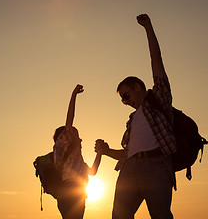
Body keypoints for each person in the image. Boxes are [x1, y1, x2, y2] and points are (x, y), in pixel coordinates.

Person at [95, 14, 176, 219]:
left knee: (160, 215)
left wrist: (148, 28)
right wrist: (105, 151)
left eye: (126, 95)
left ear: (138, 87)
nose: (125, 101)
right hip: (129, 169)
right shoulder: (131, 121)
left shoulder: (159, 100)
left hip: (156, 166)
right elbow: (128, 153)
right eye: (122, 99)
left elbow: (156, 60)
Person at [53, 84, 102, 219]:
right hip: (69, 190)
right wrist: (74, 94)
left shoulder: (77, 160)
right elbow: (70, 118)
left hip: (77, 193)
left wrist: (100, 152)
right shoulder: (63, 144)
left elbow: (93, 172)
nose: (80, 138)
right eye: (76, 134)